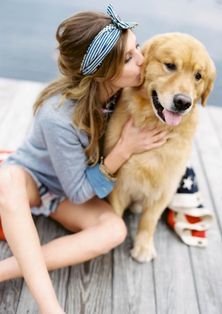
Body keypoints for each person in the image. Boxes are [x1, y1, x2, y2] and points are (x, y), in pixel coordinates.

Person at [0, 5, 169, 314]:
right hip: (37, 181)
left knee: (114, 230)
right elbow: (79, 192)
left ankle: (8, 268)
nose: (143, 60)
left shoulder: (124, 94)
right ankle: (50, 307)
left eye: (138, 46)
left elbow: (76, 192)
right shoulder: (58, 117)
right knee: (7, 180)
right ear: (104, 73)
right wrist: (123, 149)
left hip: (69, 193)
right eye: (130, 58)